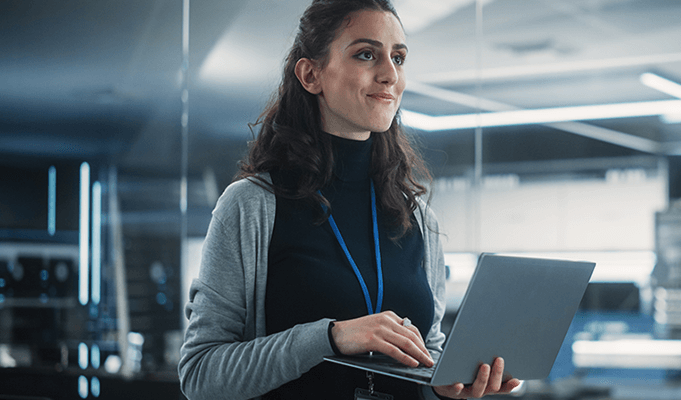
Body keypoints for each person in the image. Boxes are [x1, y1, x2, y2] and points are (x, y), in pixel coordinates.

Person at [177, 1, 520, 398]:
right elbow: (200, 375)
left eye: (399, 57)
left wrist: (449, 386)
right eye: (366, 54)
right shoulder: (253, 205)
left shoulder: (419, 218)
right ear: (310, 74)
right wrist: (332, 337)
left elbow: (430, 352)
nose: (390, 74)